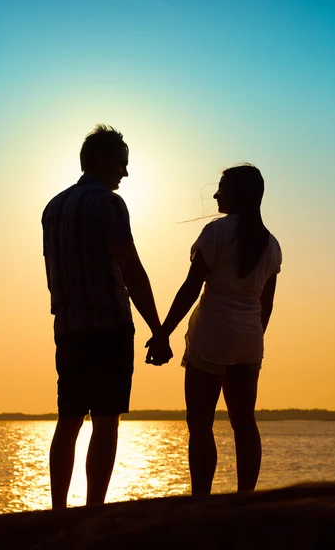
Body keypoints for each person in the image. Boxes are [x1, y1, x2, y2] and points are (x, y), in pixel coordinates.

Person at [42, 124, 172, 509]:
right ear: (100, 160)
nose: (126, 173)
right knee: (106, 419)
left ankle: (58, 511)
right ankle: (94, 511)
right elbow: (130, 267)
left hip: (67, 328)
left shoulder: (53, 206)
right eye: (121, 163)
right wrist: (158, 328)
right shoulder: (108, 204)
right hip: (108, 326)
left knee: (68, 421)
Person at [147, 164, 282, 495]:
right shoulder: (271, 244)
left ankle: (202, 500)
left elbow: (191, 288)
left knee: (200, 425)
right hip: (249, 342)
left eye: (222, 188)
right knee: (244, 424)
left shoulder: (216, 233)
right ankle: (246, 498)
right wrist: (253, 337)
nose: (215, 194)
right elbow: (268, 304)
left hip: (211, 338)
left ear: (239, 194)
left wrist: (164, 332)